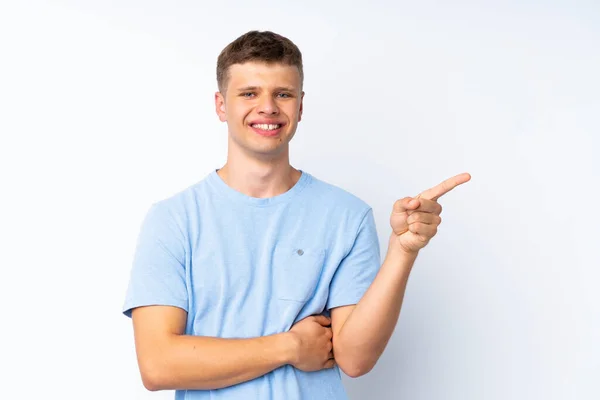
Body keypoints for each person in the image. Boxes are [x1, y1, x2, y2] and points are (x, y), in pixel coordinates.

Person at [122, 30, 471, 400]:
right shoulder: (173, 220)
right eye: (249, 93)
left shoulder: (347, 216)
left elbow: (354, 360)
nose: (268, 107)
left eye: (283, 94)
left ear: (300, 107)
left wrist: (402, 253)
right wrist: (290, 347)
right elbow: (158, 365)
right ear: (221, 105)